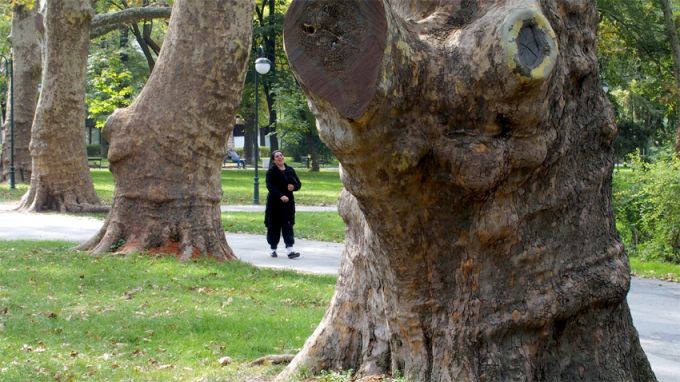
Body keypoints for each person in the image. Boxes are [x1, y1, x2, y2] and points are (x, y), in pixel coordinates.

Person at [264, 150, 301, 259]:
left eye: (281, 155)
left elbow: (298, 184)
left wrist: (294, 187)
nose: (280, 157)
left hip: (288, 205)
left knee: (288, 225)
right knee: (274, 226)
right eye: (277, 156)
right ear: (274, 160)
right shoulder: (271, 171)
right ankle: (273, 249)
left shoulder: (290, 170)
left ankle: (290, 251)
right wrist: (280, 196)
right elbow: (270, 186)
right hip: (274, 204)